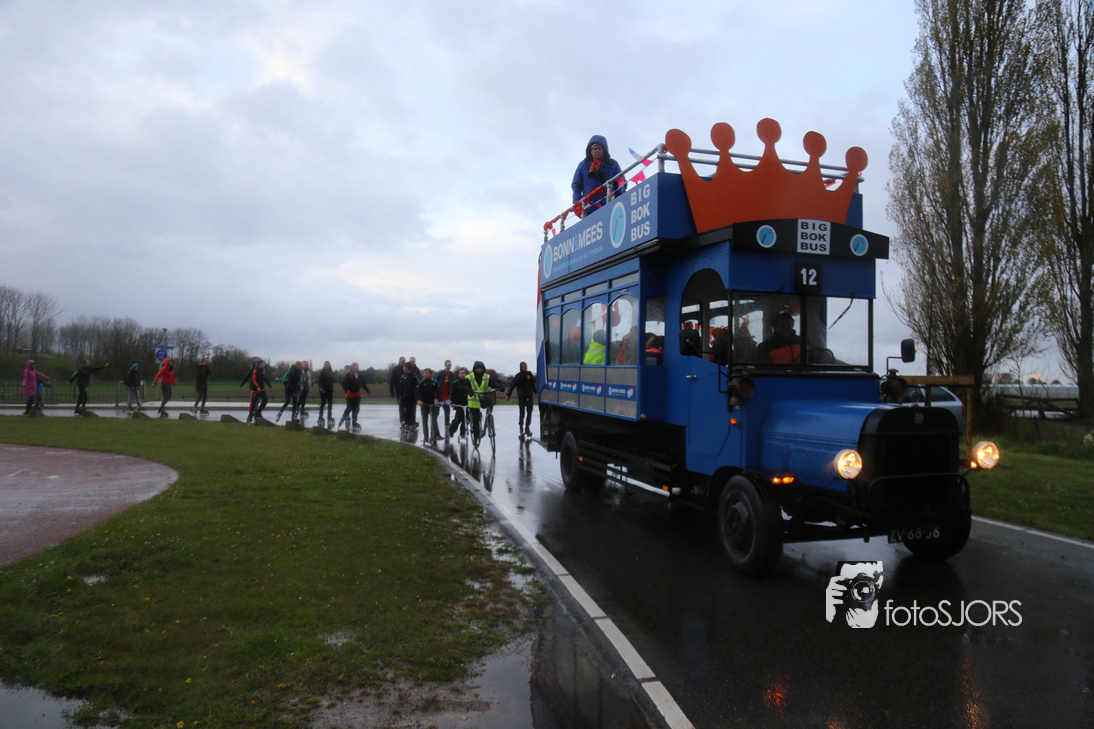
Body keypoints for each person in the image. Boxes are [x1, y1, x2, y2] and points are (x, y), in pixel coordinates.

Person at [571, 135, 626, 217]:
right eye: (595, 148)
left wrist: (619, 196)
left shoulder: (613, 164)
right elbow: (576, 184)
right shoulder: (583, 165)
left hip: (609, 206)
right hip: (588, 208)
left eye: (600, 148)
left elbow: (621, 182)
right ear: (590, 151)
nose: (597, 151)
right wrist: (577, 202)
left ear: (604, 150)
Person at [506, 361, 536, 437]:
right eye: (524, 367)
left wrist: (536, 392)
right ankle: (521, 428)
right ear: (521, 367)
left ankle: (527, 428)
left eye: (526, 367)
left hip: (529, 396)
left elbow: (533, 384)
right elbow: (512, 385)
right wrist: (508, 395)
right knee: (522, 413)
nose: (525, 368)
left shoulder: (529, 374)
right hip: (522, 397)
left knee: (529, 412)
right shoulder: (518, 376)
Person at [466, 360, 495, 442]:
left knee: (490, 405)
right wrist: (468, 390)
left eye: (481, 368)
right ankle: (476, 437)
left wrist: (499, 388)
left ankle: (488, 419)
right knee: (475, 419)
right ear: (474, 369)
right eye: (477, 368)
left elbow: (493, 384)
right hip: (474, 400)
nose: (479, 370)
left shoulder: (487, 377)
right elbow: (465, 385)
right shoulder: (469, 377)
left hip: (483, 398)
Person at [338, 362, 371, 430]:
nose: (357, 368)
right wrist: (346, 390)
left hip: (357, 393)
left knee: (356, 408)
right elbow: (343, 383)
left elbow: (363, 383)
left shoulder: (360, 374)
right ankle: (342, 419)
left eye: (358, 366)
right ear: (352, 367)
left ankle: (354, 422)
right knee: (349, 408)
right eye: (356, 366)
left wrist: (368, 391)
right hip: (350, 394)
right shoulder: (348, 375)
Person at [417, 368, 441, 442]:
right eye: (424, 373)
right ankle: (425, 437)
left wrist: (440, 401)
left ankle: (433, 435)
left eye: (426, 373)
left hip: (432, 404)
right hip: (424, 404)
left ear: (430, 374)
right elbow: (418, 392)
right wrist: (419, 400)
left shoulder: (434, 382)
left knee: (433, 421)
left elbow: (438, 392)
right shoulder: (421, 382)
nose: (425, 375)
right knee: (425, 421)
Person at [447, 367, 471, 439]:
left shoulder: (468, 382)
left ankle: (462, 433)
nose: (462, 374)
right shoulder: (455, 383)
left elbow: (471, 393)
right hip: (458, 404)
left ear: (465, 374)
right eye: (461, 373)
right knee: (457, 420)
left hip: (467, 404)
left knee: (466, 420)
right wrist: (452, 402)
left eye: (463, 373)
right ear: (459, 374)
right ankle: (451, 430)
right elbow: (452, 394)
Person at [435, 360, 457, 435]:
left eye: (450, 365)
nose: (449, 366)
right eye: (448, 365)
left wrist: (451, 394)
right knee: (436, 412)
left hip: (446, 396)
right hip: (438, 396)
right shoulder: (440, 373)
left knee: (447, 411)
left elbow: (452, 384)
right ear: (445, 365)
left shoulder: (451, 374)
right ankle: (434, 427)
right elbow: (435, 382)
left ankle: (447, 425)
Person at [397, 362, 419, 431]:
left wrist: (417, 396)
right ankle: (406, 424)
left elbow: (418, 386)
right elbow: (401, 387)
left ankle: (412, 423)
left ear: (407, 368)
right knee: (406, 411)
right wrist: (400, 396)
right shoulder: (403, 376)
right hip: (405, 397)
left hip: (412, 397)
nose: (403, 368)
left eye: (404, 367)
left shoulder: (414, 376)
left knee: (412, 410)